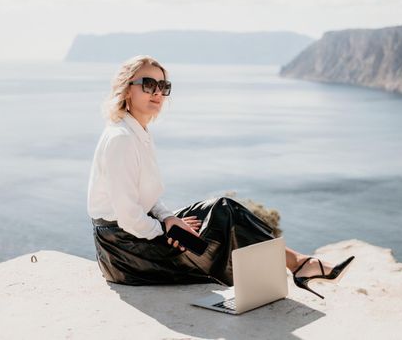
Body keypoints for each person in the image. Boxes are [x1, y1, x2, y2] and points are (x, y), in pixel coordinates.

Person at [86, 55, 354, 299]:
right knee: (222, 220)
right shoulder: (121, 139)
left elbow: (147, 198)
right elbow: (130, 218)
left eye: (163, 86)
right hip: (125, 252)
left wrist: (169, 218)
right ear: (126, 89)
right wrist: (164, 229)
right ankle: (298, 265)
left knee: (221, 209)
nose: (157, 92)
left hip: (136, 236)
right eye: (148, 84)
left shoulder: (138, 133)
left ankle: (295, 266)